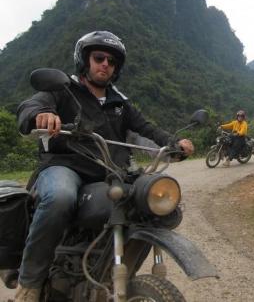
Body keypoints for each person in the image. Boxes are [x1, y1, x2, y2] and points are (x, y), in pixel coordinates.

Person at [14, 30, 194, 301]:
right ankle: (30, 283)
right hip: (65, 166)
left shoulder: (119, 102)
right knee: (59, 197)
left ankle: (113, 275)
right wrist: (41, 115)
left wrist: (174, 143)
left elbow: (146, 128)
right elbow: (28, 107)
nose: (105, 64)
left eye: (112, 61)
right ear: (84, 60)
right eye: (99, 57)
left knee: (147, 205)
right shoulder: (61, 91)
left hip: (107, 172)